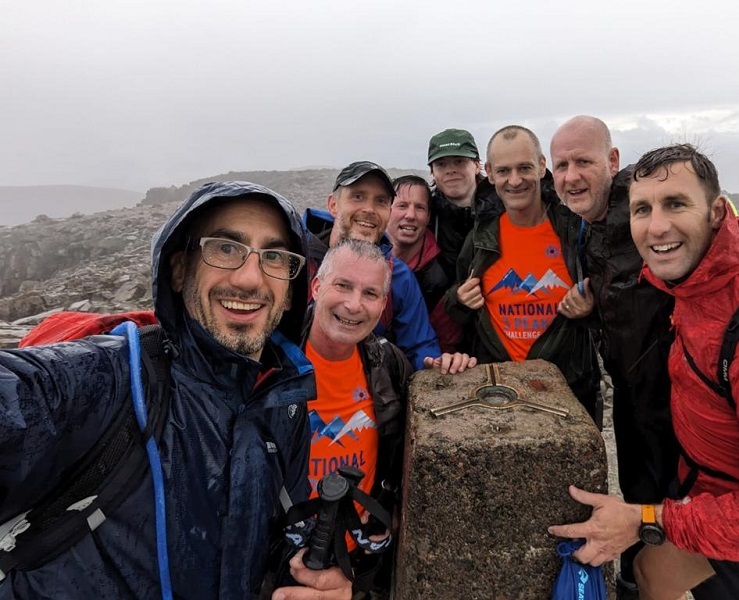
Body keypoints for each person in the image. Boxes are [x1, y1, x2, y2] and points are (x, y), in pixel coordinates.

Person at [0, 181, 350, 600]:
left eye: (274, 256)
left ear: (291, 293)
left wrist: (309, 579)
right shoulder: (111, 379)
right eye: (224, 248)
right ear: (180, 269)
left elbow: (275, 544)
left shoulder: (283, 405)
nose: (249, 278)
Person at [548, 145, 739, 600]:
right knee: (649, 573)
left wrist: (645, 519)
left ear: (717, 211)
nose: (657, 226)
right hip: (700, 485)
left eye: (676, 204)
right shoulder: (688, 278)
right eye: (642, 209)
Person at [550, 115, 679, 594]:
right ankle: (635, 583)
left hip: (679, 397)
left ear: (612, 161)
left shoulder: (644, 211)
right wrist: (589, 304)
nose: (571, 176)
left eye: (583, 161)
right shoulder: (589, 223)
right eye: (562, 165)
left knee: (691, 523)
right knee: (644, 505)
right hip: (631, 390)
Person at [303, 239, 476, 596]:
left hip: (362, 559)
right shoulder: (271, 365)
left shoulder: (388, 364)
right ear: (316, 286)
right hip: (289, 557)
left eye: (370, 293)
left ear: (383, 305)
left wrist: (449, 369)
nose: (354, 304)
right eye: (343, 286)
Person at [444, 125, 600, 422]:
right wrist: (459, 299)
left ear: (542, 166)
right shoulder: (480, 238)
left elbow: (611, 304)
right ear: (489, 173)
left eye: (524, 168)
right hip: (497, 392)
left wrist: (589, 310)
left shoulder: (574, 229)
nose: (514, 181)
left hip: (568, 390)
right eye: (503, 171)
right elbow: (457, 307)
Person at [303, 161, 441, 370]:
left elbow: (419, 347)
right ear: (333, 205)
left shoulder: (398, 277)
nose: (369, 209)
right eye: (358, 196)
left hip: (367, 391)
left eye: (381, 201)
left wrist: (436, 366)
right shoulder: (295, 260)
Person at [385, 175, 460, 352]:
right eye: (402, 206)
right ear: (386, 209)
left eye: (419, 208)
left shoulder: (440, 276)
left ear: (428, 217)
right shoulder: (363, 253)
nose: (410, 215)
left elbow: (446, 343)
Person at [427, 128, 493, 275]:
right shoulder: (424, 219)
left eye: (459, 161)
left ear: (477, 166)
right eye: (441, 164)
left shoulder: (502, 211)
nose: (450, 170)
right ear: (432, 172)